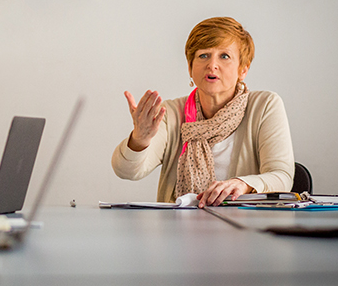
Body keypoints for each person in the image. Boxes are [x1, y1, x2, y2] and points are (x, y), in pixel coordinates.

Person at [111, 17, 294, 208]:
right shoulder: (171, 112)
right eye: (203, 55)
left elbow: (282, 177)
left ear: (243, 70)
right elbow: (127, 172)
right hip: (178, 231)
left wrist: (244, 184)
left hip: (245, 229)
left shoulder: (265, 105)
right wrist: (140, 139)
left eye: (224, 56)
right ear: (190, 68)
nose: (212, 65)